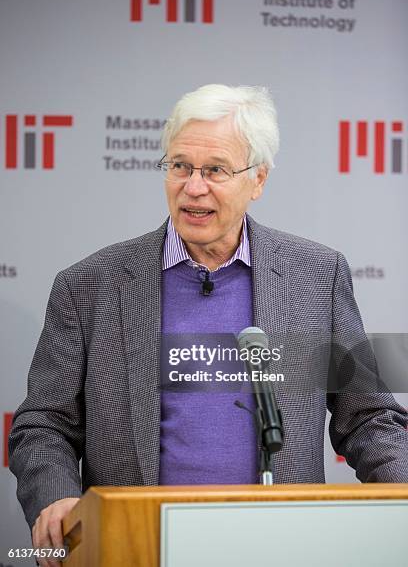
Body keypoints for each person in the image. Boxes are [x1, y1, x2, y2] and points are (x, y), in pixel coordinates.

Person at [9, 84, 408, 565]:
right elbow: (44, 423)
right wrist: (55, 496)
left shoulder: (316, 277)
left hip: (281, 546)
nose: (193, 187)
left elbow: (367, 417)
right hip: (136, 546)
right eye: (180, 166)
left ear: (258, 179)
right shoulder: (89, 286)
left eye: (215, 170)